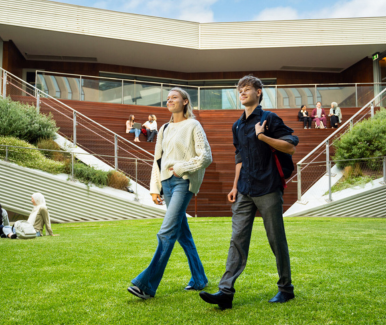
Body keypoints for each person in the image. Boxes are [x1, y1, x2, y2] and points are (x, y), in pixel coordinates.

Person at [200, 75, 298, 310]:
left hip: (268, 188)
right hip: (244, 189)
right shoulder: (237, 125)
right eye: (239, 90)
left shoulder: (269, 118)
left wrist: (263, 136)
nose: (242, 93)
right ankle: (226, 291)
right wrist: (234, 186)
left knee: (276, 240)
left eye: (247, 89)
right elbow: (239, 157)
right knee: (237, 240)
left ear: (259, 92)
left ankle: (286, 289)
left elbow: (291, 146)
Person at [127, 87, 212, 300]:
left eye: (174, 97)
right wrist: (155, 188)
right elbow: (158, 160)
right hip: (167, 184)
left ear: (185, 102)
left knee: (166, 232)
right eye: (167, 98)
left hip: (183, 182)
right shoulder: (164, 128)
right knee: (183, 235)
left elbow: (206, 156)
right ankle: (199, 279)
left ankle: (146, 285)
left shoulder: (193, 125)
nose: (169, 100)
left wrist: (182, 167)